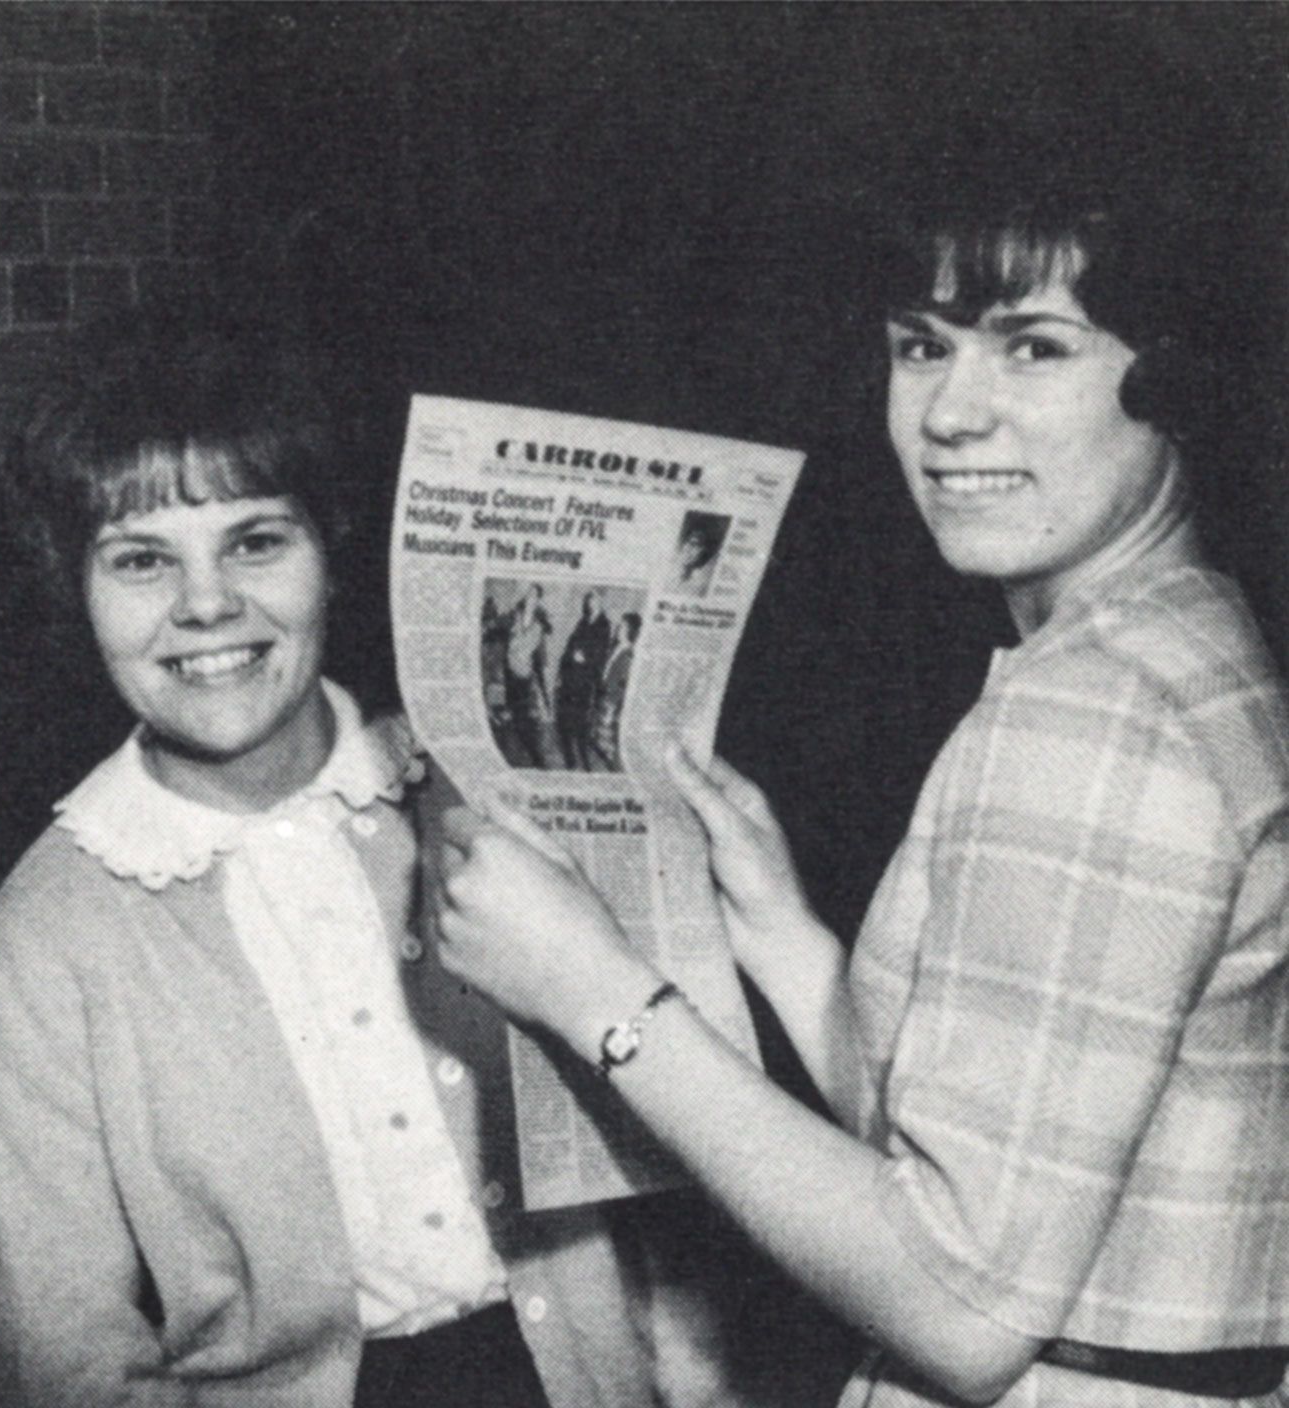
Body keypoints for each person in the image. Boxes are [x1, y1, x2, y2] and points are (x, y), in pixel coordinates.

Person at [432, 146, 1289, 1405]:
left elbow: (960, 1307)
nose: (948, 413)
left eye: (1033, 347)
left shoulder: (1090, 712)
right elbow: (998, 1155)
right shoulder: (1184, 632)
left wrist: (592, 991)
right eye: (921, 345)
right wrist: (787, 942)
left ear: (1176, 379)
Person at [0, 310, 794, 1408]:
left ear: (333, 551)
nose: (207, 602)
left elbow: (675, 1182)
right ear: (69, 590)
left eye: (257, 540)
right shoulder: (43, 937)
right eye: (141, 561)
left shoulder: (487, 799)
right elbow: (64, 1349)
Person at [555, 589, 611, 769]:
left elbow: (601, 654)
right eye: (589, 600)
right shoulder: (582, 621)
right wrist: (560, 673)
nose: (591, 603)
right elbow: (569, 646)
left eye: (595, 600)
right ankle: (570, 761)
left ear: (601, 602)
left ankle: (585, 761)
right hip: (569, 679)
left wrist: (585, 658)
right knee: (563, 720)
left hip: (585, 682)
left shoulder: (605, 625)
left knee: (580, 724)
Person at [501, 584, 553, 768]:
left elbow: (532, 655)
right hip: (509, 674)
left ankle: (537, 757)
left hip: (523, 677)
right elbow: (506, 642)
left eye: (534, 595)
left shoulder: (538, 626)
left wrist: (545, 697)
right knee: (514, 717)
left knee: (524, 719)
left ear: (538, 600)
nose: (529, 597)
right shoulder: (515, 616)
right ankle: (520, 755)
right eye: (528, 593)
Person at [589, 612, 640, 772]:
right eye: (620, 625)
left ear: (630, 630)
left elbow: (622, 685)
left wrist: (612, 704)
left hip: (611, 701)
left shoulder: (629, 654)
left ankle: (615, 771)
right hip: (604, 697)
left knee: (607, 743)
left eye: (623, 626)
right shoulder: (616, 647)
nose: (619, 628)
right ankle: (610, 765)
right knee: (599, 739)